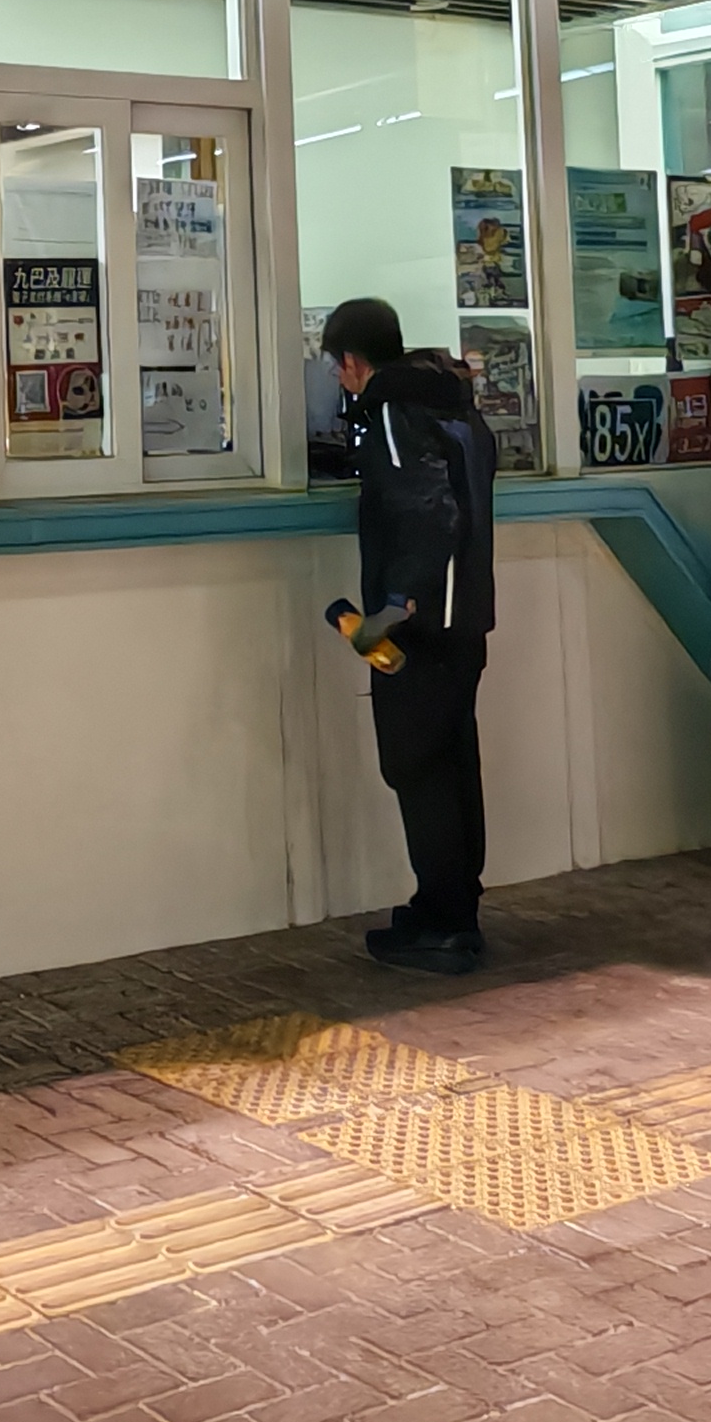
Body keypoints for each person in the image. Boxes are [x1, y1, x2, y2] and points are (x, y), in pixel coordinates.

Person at [323, 296, 498, 976]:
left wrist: (390, 613)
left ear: (352, 361)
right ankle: (450, 908)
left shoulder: (396, 411)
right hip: (465, 619)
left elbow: (428, 512)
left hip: (418, 631)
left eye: (336, 367)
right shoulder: (452, 401)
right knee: (452, 764)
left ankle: (445, 926)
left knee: (417, 768)